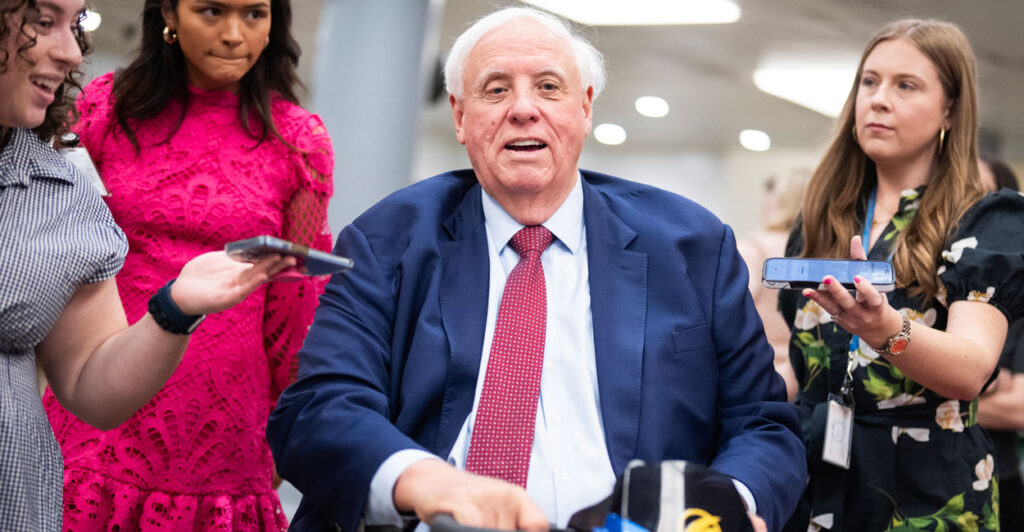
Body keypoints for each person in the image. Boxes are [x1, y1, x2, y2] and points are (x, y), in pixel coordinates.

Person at [268, 7, 804, 532]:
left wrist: (719, 511)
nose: (523, 108)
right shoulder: (388, 240)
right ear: (460, 116)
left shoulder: (692, 246)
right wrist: (427, 483)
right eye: (496, 89)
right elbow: (317, 408)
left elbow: (762, 424)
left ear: (585, 107)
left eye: (548, 87)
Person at [41, 0, 334, 530]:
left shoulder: (299, 141)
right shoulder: (105, 108)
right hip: (98, 406)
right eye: (212, 11)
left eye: (255, 15)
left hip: (227, 428)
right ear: (169, 16)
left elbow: (294, 307)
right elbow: (60, 253)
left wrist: (286, 423)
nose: (234, 34)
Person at [778, 19, 1024, 531]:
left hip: (926, 494)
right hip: (813, 480)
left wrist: (885, 328)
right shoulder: (823, 217)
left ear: (950, 110)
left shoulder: (985, 220)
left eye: (906, 85)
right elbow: (804, 366)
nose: (878, 100)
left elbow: (970, 370)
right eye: (869, 82)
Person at [975, 155, 1024, 532]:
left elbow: (1020, 408)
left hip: (996, 480)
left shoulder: (1013, 290)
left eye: (977, 195)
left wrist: (918, 398)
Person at [737, 171, 808, 401]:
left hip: (765, 379)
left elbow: (732, 311)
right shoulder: (822, 249)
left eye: (771, 193)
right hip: (811, 377)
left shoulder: (755, 248)